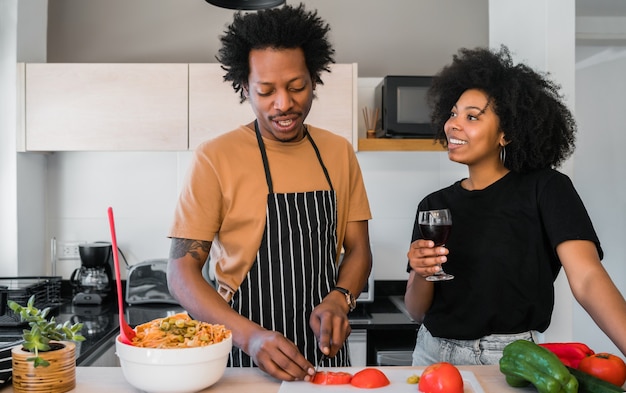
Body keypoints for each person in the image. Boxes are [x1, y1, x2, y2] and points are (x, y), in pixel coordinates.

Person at [167, 4, 372, 382]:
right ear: (245, 88)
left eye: (297, 87)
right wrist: (251, 337)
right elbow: (181, 272)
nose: (284, 104)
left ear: (314, 79)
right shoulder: (215, 157)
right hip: (241, 356)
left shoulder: (338, 152)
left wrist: (340, 297)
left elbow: (359, 249)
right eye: (265, 91)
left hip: (323, 356)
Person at [404, 45, 626, 365]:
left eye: (471, 117)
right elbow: (417, 310)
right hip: (432, 354)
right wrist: (421, 274)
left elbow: (588, 278)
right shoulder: (435, 205)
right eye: (452, 113)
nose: (453, 124)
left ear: (505, 134)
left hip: (509, 360)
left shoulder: (546, 189)